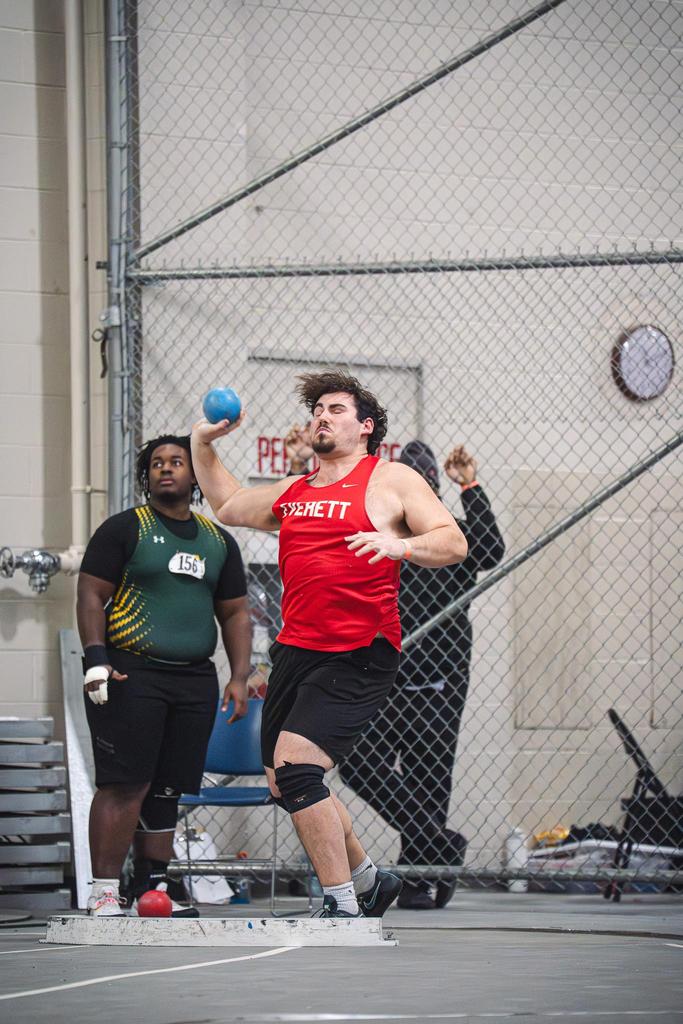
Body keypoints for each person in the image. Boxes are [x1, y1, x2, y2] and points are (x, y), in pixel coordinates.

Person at [190, 369, 468, 919]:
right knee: (285, 783)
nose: (322, 416)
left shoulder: (390, 479)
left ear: (365, 427)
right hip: (295, 651)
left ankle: (342, 905)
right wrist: (201, 442)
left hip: (358, 649)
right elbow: (229, 505)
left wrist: (400, 546)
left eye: (336, 409)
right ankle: (369, 881)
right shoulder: (294, 492)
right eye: (317, 409)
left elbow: (453, 542)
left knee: (297, 770)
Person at [77, 434, 252, 918]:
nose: (167, 468)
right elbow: (91, 595)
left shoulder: (218, 541)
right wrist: (95, 659)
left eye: (177, 461)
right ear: (147, 475)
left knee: (167, 789)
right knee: (125, 784)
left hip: (194, 681)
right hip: (129, 673)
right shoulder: (124, 529)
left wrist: (240, 676)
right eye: (157, 463)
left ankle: (153, 889)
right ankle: (104, 891)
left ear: (194, 475)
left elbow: (235, 613)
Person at [340, 441, 505, 909]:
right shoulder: (381, 534)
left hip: (440, 681)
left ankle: (417, 879)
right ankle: (439, 844)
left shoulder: (450, 534)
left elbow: (492, 550)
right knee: (358, 762)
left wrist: (470, 486)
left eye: (426, 483)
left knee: (429, 778)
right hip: (385, 678)